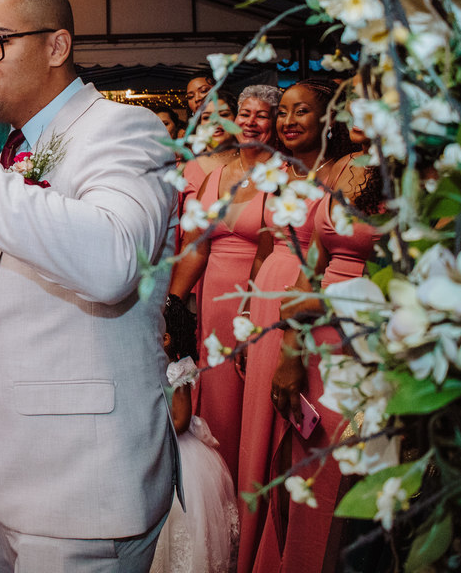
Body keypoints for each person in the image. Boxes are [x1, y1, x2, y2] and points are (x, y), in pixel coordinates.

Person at [0, 0, 177, 572]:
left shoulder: (124, 131)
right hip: (12, 477)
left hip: (85, 489)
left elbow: (112, 262)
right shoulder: (13, 149)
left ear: (57, 46)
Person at [237, 79, 354, 573]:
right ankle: (262, 549)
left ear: (328, 120)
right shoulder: (281, 172)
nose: (286, 121)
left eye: (300, 111)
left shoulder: (344, 174)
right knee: (262, 438)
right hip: (268, 303)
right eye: (281, 112)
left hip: (305, 310)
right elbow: (265, 243)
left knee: (303, 434)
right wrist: (246, 312)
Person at [167, 84, 280, 480]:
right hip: (214, 303)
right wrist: (174, 304)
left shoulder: (282, 175)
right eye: (244, 114)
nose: (250, 123)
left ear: (275, 123)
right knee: (216, 400)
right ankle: (222, 488)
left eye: (261, 115)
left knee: (253, 402)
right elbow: (196, 249)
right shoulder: (215, 176)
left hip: (260, 300)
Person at [151, 299, 238, 573]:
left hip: (177, 447)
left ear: (165, 338)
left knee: (182, 517)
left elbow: (180, 418)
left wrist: (154, 434)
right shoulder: (150, 364)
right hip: (158, 438)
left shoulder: (178, 370)